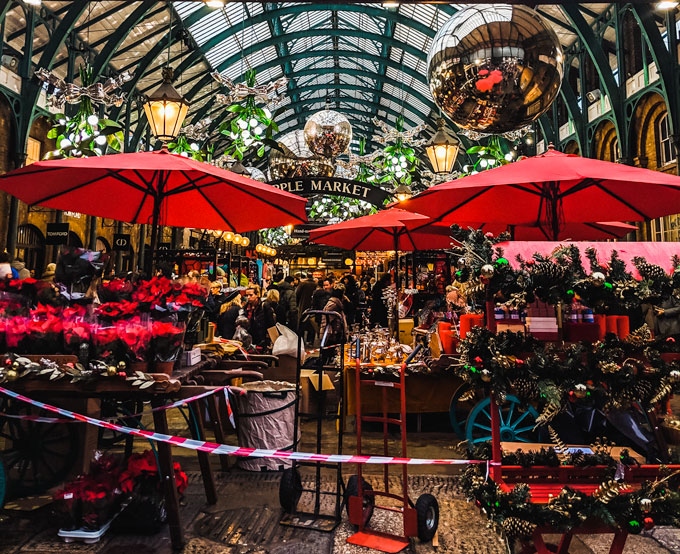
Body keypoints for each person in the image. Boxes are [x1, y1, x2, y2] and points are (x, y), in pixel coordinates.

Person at [319, 284, 349, 362]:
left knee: (330, 351)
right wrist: (329, 332)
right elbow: (326, 320)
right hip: (333, 332)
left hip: (334, 331)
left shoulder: (335, 303)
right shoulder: (334, 304)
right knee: (329, 350)